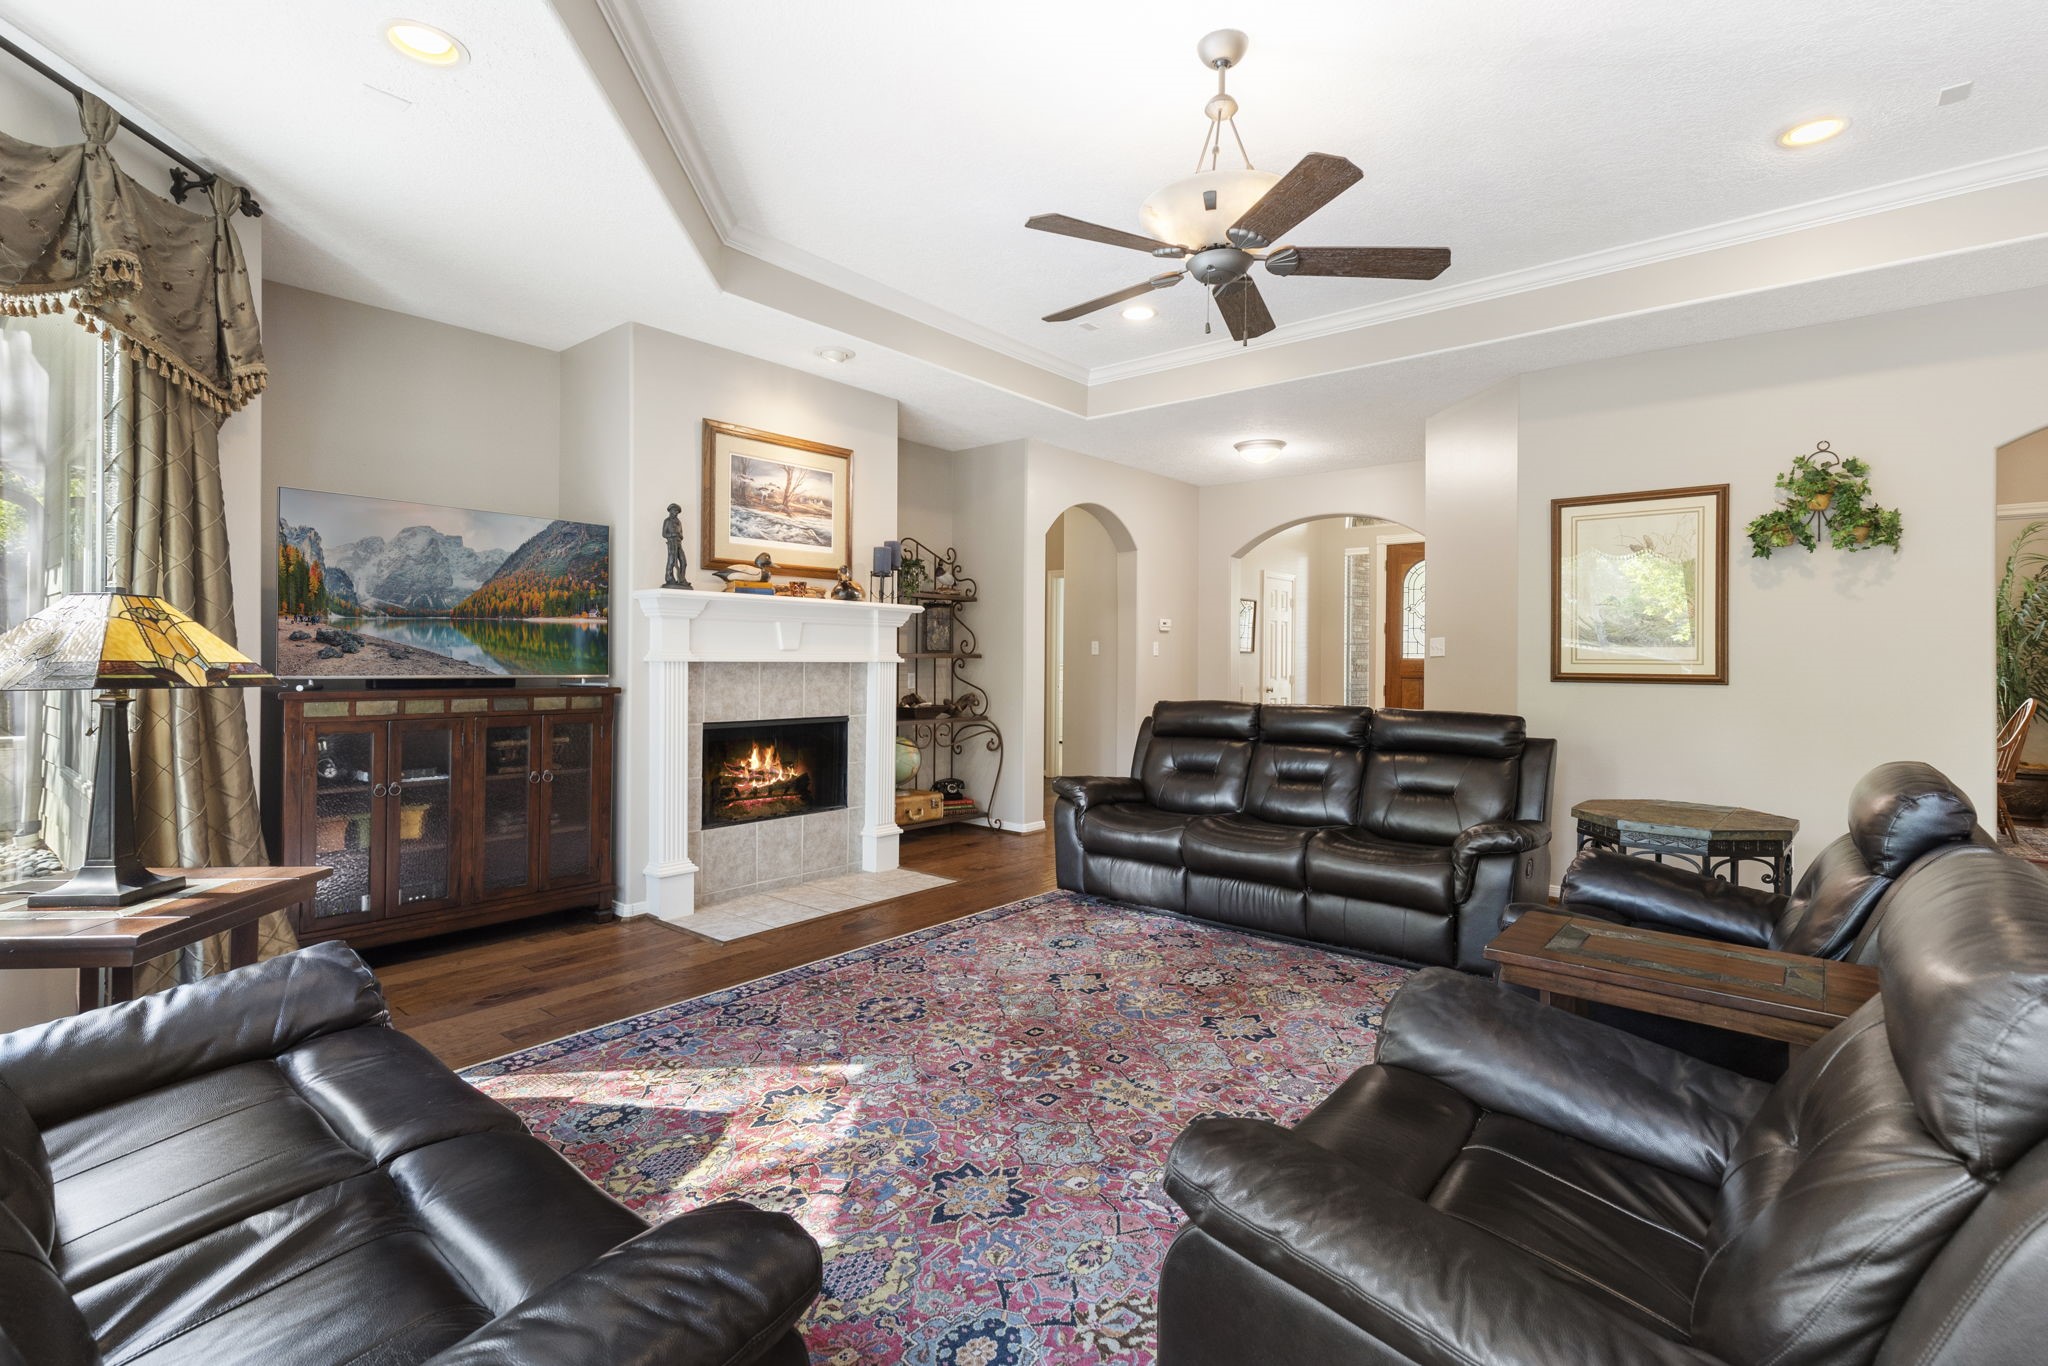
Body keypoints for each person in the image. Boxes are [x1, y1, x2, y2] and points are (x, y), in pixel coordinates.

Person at [661, 503, 692, 588]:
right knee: (671, 561)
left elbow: (681, 534)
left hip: (678, 544)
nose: (676, 513)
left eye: (677, 512)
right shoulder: (667, 521)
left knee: (683, 562)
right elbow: (664, 534)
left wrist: (679, 536)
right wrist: (673, 535)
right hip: (671, 543)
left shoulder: (678, 522)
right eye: (675, 511)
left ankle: (682, 579)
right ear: (671, 511)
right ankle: (669, 578)